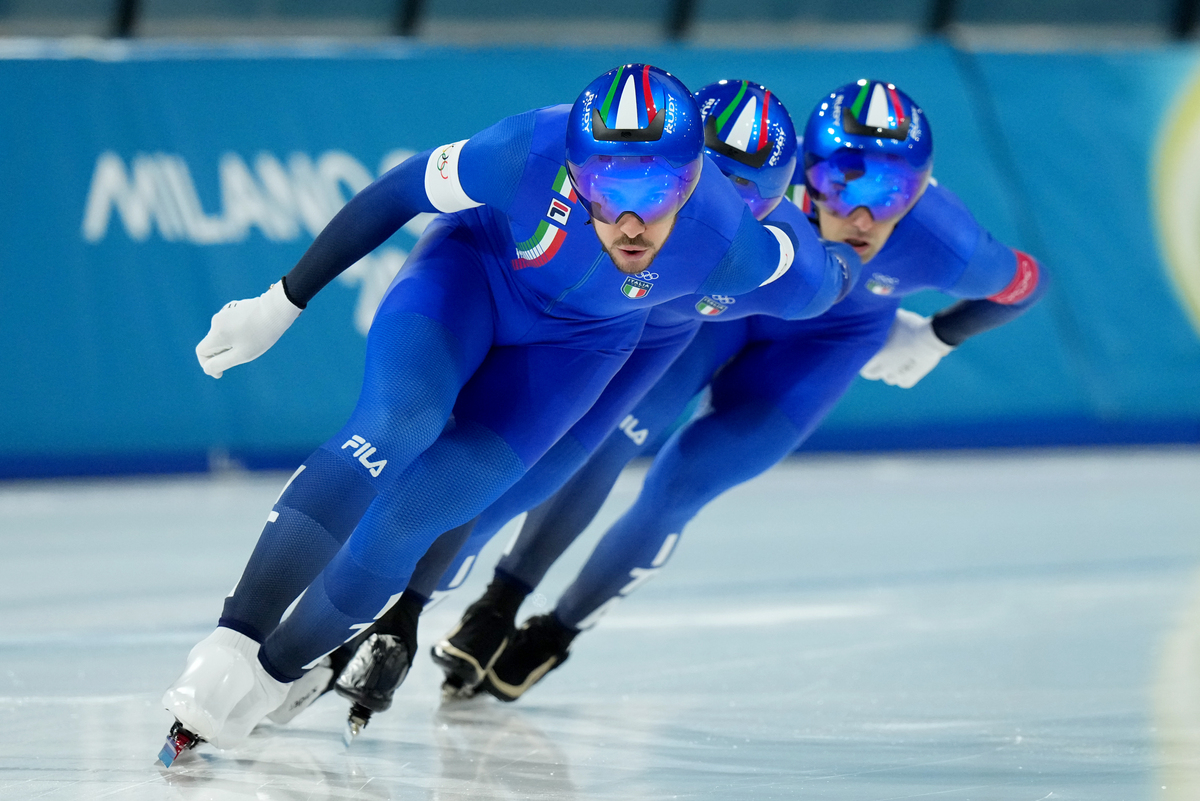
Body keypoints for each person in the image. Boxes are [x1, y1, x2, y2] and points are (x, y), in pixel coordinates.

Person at [157, 64, 849, 764]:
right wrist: (283, 300)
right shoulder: (527, 150)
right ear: (574, 171)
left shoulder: (732, 241)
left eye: (658, 192)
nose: (632, 223)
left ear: (694, 180)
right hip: (471, 276)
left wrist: (883, 300)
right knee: (397, 423)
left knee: (420, 511)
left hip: (579, 346)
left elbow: (825, 282)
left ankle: (278, 672)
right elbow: (401, 190)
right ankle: (234, 637)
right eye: (609, 190)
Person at [427, 78, 1048, 703]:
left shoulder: (946, 240)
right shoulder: (755, 186)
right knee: (608, 439)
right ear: (804, 175)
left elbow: (1026, 285)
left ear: (922, 189)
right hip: (712, 317)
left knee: (681, 485)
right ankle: (499, 603)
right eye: (841, 186)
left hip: (824, 343)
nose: (861, 218)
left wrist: (940, 337)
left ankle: (555, 633)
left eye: (890, 194)